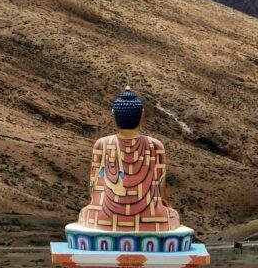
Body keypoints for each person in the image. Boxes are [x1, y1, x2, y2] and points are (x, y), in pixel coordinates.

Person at [78, 86, 181, 234]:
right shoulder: (155, 145)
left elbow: (94, 187)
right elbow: (161, 187)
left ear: (114, 114)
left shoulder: (101, 144)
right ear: (141, 114)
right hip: (150, 215)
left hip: (106, 215)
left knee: (87, 214)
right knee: (172, 216)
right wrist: (167, 206)